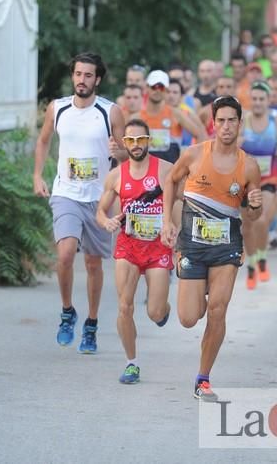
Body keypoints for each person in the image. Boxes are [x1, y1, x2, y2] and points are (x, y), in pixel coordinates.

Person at [161, 96, 263, 402]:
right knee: (189, 318)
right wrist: (167, 220)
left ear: (239, 124)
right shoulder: (193, 154)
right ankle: (195, 289)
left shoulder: (249, 167)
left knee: (218, 311)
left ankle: (203, 379)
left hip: (226, 247)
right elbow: (170, 181)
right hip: (192, 245)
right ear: (213, 123)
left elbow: (252, 215)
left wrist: (256, 207)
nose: (226, 126)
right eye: (221, 120)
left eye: (232, 120)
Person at [33, 52, 126, 352]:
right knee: (65, 253)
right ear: (72, 76)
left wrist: (119, 150)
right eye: (77, 74)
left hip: (99, 198)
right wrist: (37, 175)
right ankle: (67, 312)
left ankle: (91, 324)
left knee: (93, 263)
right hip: (66, 193)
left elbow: (126, 156)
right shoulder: (57, 108)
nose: (81, 80)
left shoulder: (111, 112)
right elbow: (44, 139)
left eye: (88, 75)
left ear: (97, 79)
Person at [96, 119, 174, 384]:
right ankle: (132, 363)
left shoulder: (165, 171)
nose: (136, 145)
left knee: (154, 312)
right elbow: (100, 210)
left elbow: (184, 198)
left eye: (141, 140)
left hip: (157, 248)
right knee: (124, 306)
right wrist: (106, 221)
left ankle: (164, 309)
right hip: (128, 246)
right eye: (130, 141)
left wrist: (172, 226)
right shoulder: (116, 175)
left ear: (148, 141)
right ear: (124, 144)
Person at [239, 81, 277, 288]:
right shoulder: (242, 120)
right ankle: (252, 264)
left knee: (261, 221)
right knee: (247, 226)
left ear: (269, 100)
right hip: (246, 180)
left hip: (270, 177)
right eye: (254, 99)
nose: (258, 102)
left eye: (262, 99)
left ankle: (262, 258)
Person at [140, 70, 202, 164]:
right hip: (146, 170)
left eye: (161, 87)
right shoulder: (137, 116)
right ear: (147, 88)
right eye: (154, 87)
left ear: (166, 89)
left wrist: (191, 160)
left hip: (171, 170)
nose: (157, 90)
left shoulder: (176, 114)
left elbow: (200, 135)